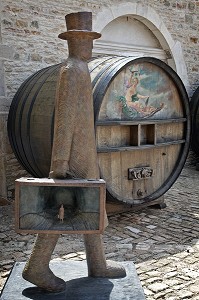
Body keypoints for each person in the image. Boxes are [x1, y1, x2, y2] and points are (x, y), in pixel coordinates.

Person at [22, 12, 126, 293]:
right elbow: (65, 118)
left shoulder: (80, 68)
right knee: (63, 208)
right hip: (75, 158)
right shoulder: (73, 70)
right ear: (76, 42)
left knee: (92, 204)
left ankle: (97, 262)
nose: (91, 47)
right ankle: (37, 266)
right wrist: (60, 161)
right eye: (87, 40)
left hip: (84, 153)